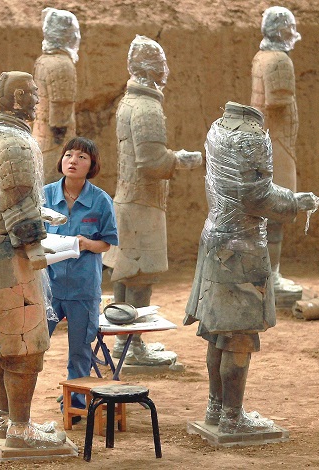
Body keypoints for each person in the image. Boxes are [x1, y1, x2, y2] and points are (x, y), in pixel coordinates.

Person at [185, 102, 318, 434]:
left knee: (219, 332)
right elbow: (257, 197)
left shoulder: (219, 127)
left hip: (215, 237)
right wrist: (295, 201)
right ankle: (232, 417)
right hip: (241, 247)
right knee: (239, 334)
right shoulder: (252, 136)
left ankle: (216, 409)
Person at [0, 71, 66, 448]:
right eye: (34, 94)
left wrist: (41, 214)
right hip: (10, 259)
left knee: (4, 344)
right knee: (25, 346)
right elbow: (21, 219)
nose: (38, 100)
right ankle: (21, 429)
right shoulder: (16, 144)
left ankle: (6, 420)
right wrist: (44, 254)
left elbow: (14, 199)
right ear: (18, 96)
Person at [103, 35, 202, 366]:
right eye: (161, 63)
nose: (166, 69)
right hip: (142, 202)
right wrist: (183, 160)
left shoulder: (130, 101)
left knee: (127, 273)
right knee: (140, 275)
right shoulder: (147, 107)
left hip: (130, 199)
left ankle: (125, 344)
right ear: (150, 68)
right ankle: (132, 347)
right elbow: (151, 162)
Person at [44, 137, 118, 413]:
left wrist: (86, 244)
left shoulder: (100, 200)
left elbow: (107, 243)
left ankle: (73, 405)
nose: (73, 161)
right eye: (68, 155)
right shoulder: (44, 196)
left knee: (79, 352)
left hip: (83, 289)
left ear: (92, 165)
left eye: (82, 157)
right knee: (33, 346)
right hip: (48, 288)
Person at [251, 6, 302, 293]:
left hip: (265, 141)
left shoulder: (261, 56)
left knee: (268, 216)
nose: (293, 32)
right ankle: (270, 277)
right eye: (289, 27)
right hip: (276, 144)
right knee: (276, 213)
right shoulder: (280, 60)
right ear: (280, 29)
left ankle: (266, 275)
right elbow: (277, 102)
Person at [33, 7, 80, 184]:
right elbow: (60, 113)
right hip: (55, 148)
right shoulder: (63, 65)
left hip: (39, 141)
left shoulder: (42, 61)